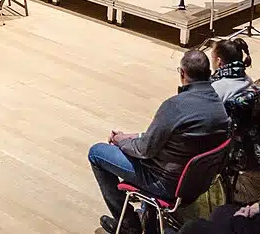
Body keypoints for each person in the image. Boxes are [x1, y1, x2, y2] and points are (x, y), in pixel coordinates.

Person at [88, 50, 230, 234]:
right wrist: (134, 136)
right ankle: (146, 217)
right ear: (208, 73)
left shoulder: (175, 106)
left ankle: (129, 225)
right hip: (195, 183)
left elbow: (144, 150)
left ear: (182, 74)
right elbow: (170, 140)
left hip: (162, 181)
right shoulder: (219, 107)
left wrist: (120, 140)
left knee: (97, 153)